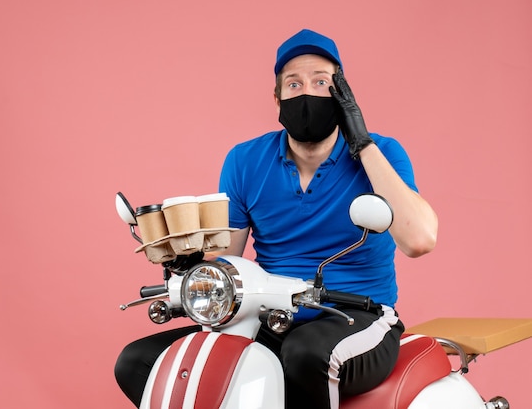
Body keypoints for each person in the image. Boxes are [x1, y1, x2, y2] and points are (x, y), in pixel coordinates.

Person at [115, 29, 438, 409]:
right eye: (294, 83)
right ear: (277, 97)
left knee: (305, 353)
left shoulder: (382, 152)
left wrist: (362, 143)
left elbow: (419, 240)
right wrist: (187, 266)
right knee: (140, 361)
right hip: (271, 315)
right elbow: (229, 260)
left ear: (342, 94)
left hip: (357, 315)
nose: (307, 93)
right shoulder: (246, 160)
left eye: (322, 83)